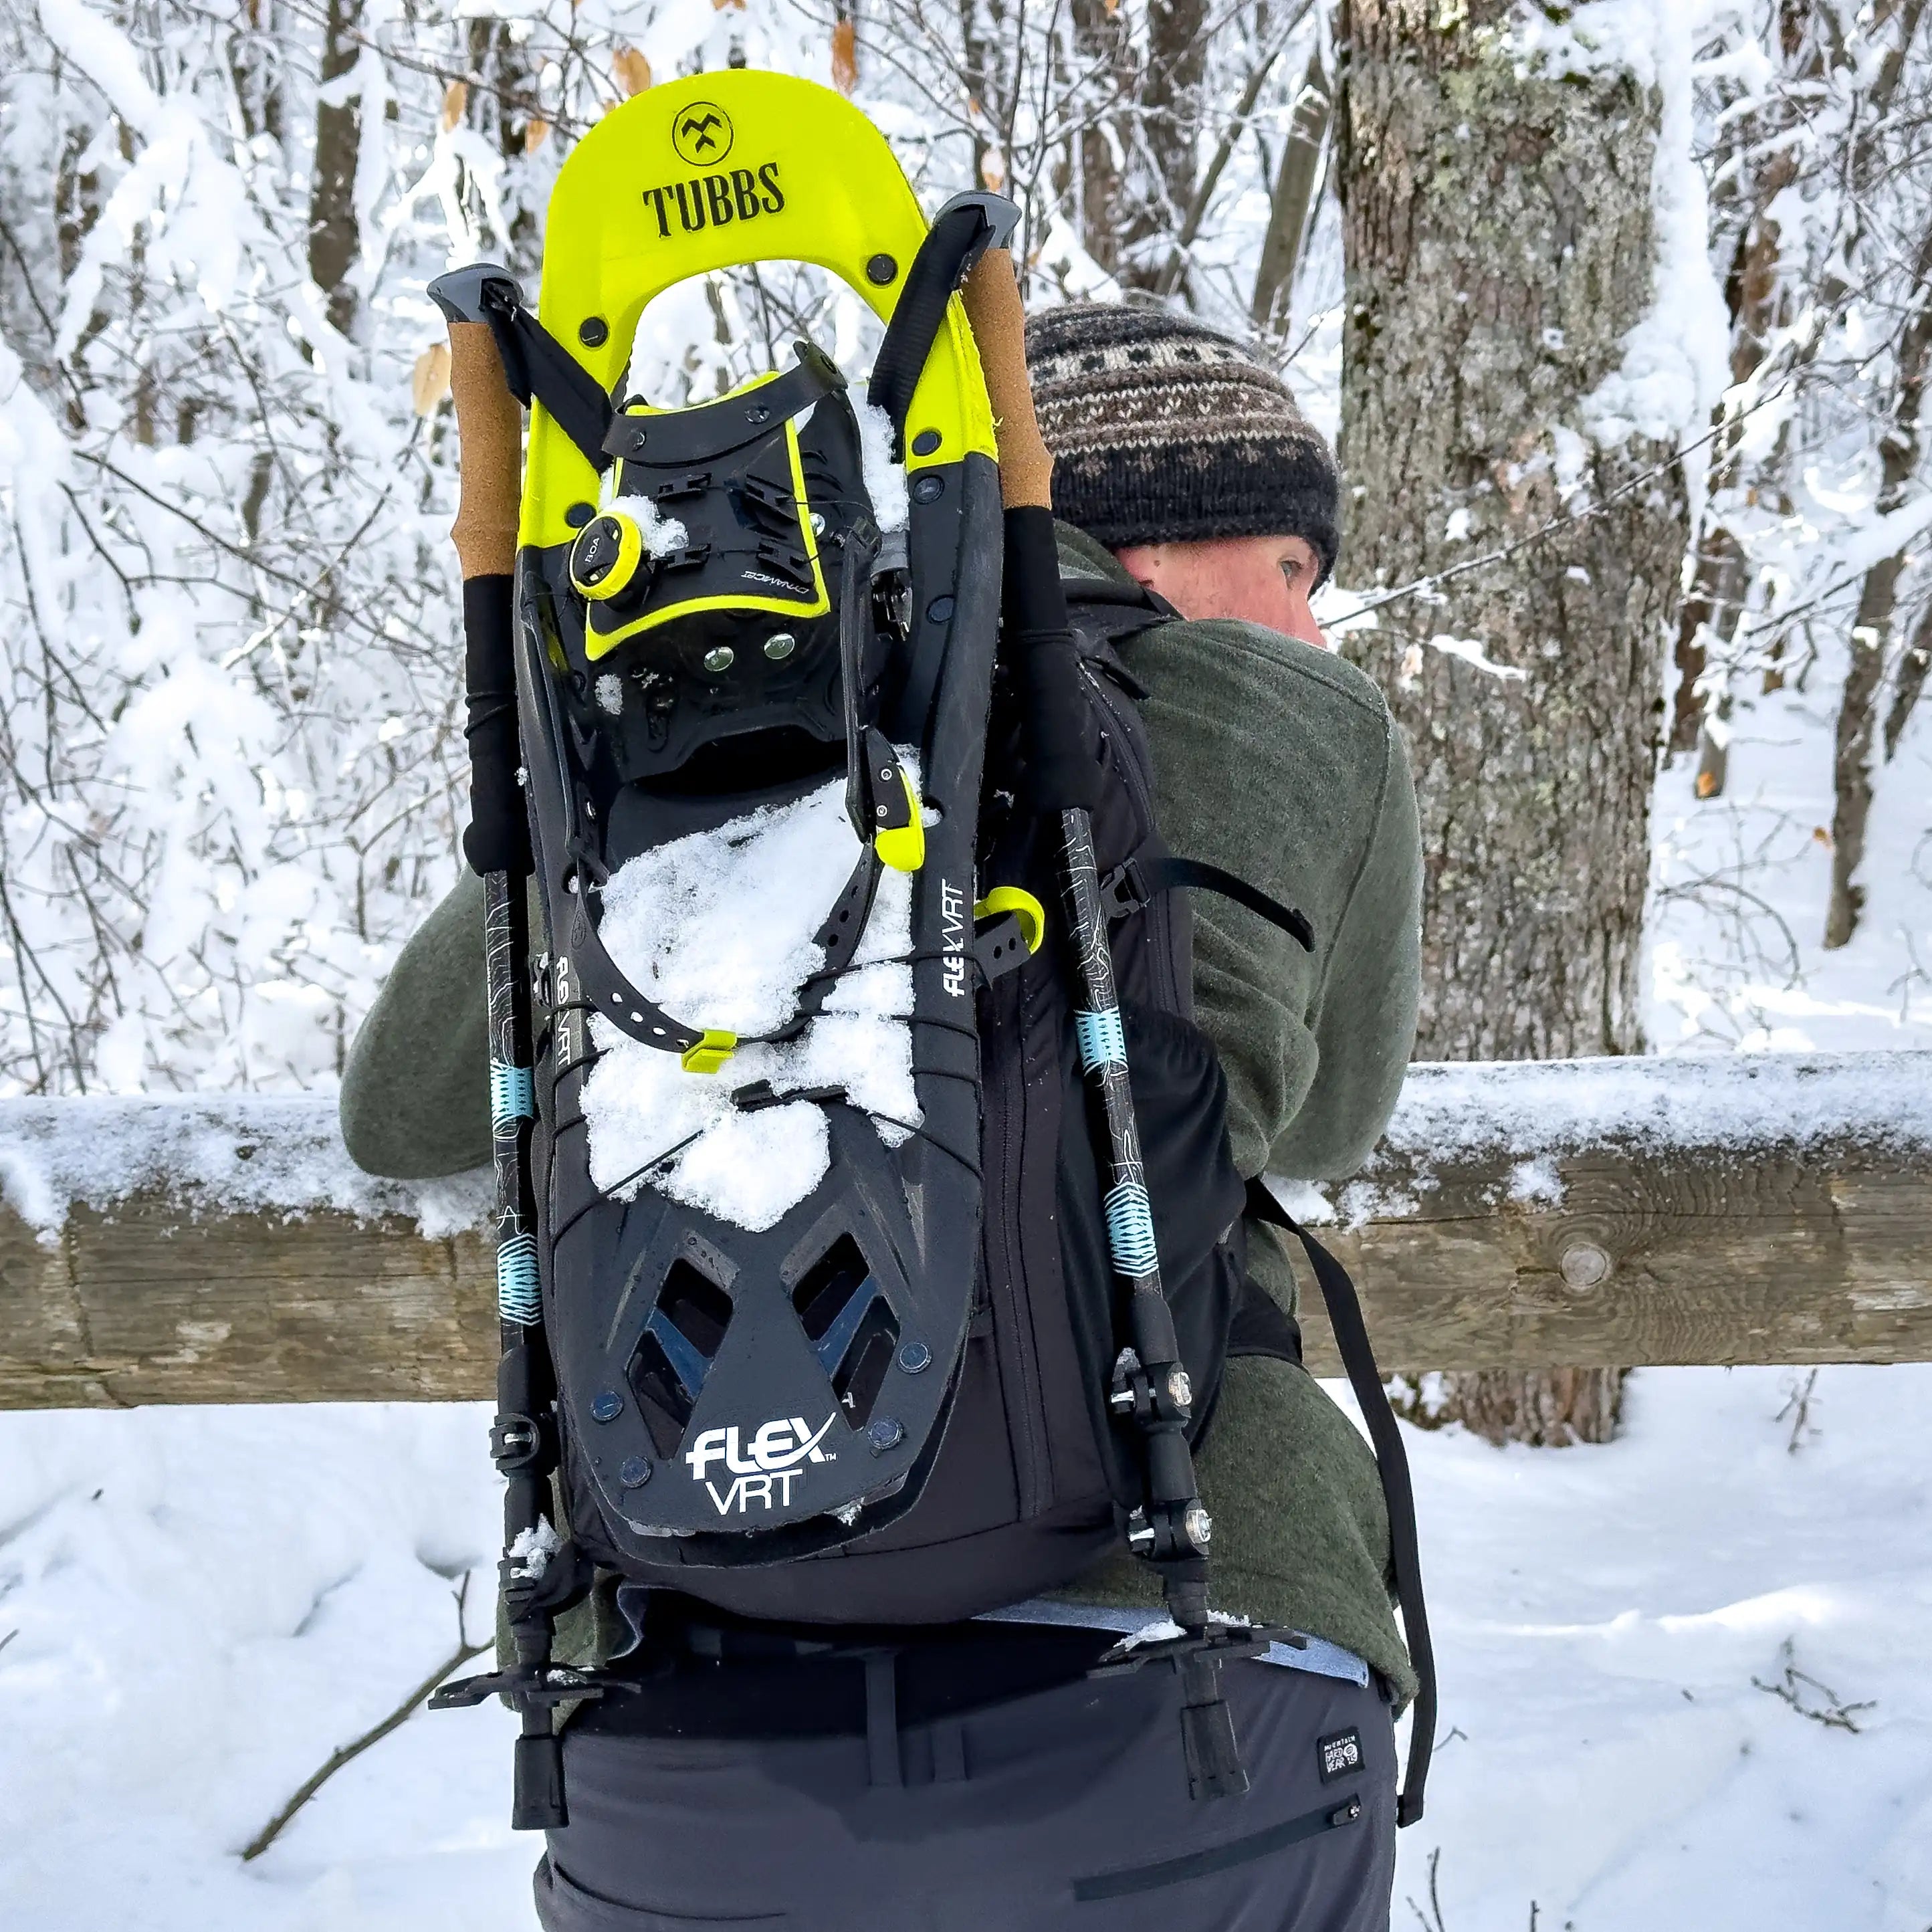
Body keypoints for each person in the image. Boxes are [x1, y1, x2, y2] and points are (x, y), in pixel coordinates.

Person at [342, 300, 1423, 1930]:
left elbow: (402, 1106)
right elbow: (1330, 1126)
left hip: (681, 1759)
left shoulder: (725, 729)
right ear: (1161, 547)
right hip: (1195, 1707)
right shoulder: (1292, 719)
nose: (1316, 630)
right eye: (1295, 569)